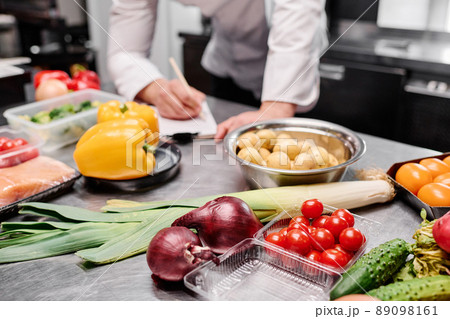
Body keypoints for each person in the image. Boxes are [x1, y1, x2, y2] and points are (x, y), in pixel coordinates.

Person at [107, 0, 327, 140]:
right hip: (229, 61)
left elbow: (299, 8)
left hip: (297, 67)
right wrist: (155, 90)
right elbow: (124, 50)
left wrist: (277, 108)